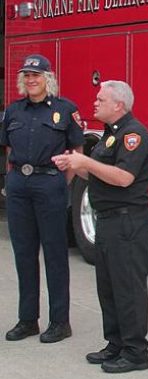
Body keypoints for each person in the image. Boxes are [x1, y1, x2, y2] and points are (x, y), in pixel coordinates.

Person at [53, 80, 148, 373]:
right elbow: (99, 174)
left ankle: (136, 352)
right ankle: (116, 343)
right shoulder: (110, 135)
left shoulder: (134, 135)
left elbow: (123, 177)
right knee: (108, 287)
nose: (95, 103)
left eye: (101, 100)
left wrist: (86, 162)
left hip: (128, 222)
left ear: (119, 105)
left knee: (128, 287)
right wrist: (75, 164)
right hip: (108, 221)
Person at [0, 54, 84, 343]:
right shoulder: (13, 111)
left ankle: (60, 322)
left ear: (48, 78)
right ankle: (28, 320)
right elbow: (8, 149)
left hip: (49, 184)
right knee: (24, 254)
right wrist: (15, 181)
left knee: (55, 254)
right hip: (19, 185)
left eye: (36, 75)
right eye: (27, 75)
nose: (31, 80)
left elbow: (77, 152)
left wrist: (59, 184)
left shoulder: (65, 109)